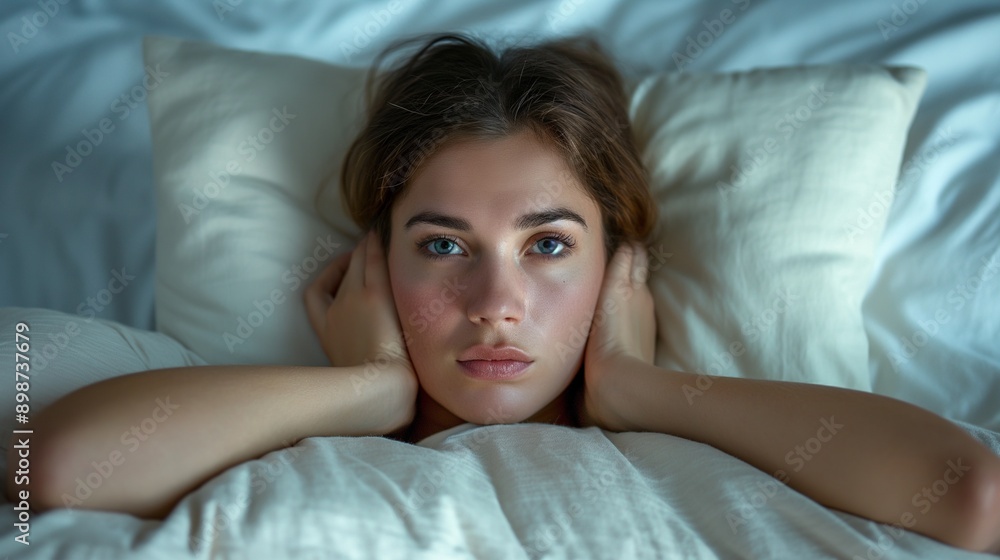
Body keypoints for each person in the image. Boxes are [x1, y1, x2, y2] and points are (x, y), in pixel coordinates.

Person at [11, 32, 1000, 554]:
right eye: (443, 244)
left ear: (615, 268)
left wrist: (642, 389)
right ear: (375, 265)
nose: (494, 300)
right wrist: (363, 389)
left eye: (548, 244)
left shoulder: (708, 440)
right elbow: (51, 466)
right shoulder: (287, 427)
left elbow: (972, 498)